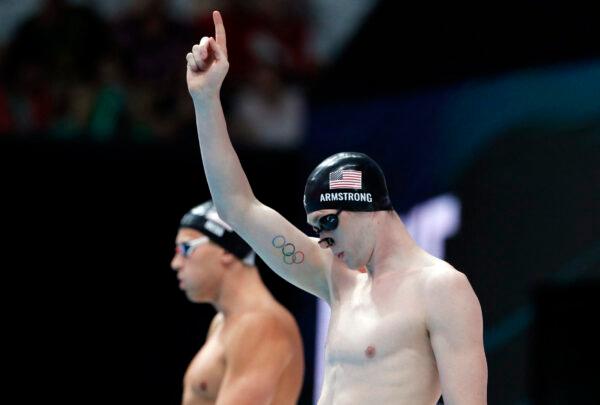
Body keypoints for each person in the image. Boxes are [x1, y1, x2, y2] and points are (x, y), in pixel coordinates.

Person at [185, 11, 488, 404]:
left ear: (365, 206)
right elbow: (237, 208)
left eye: (328, 223)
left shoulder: (441, 288)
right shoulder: (340, 280)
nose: (323, 241)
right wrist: (206, 101)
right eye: (316, 230)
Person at [171, 201, 304, 404]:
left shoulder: (262, 324)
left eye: (186, 248)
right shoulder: (223, 322)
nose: (176, 263)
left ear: (226, 251)